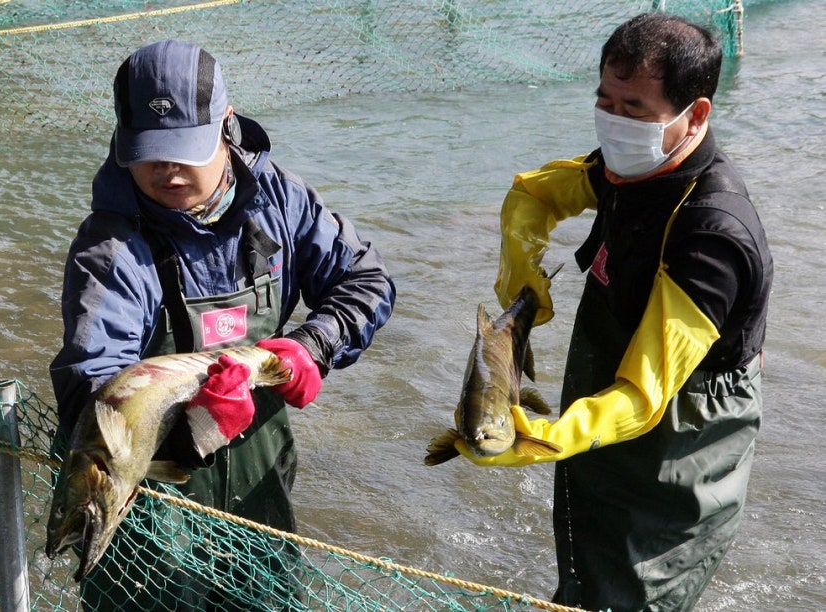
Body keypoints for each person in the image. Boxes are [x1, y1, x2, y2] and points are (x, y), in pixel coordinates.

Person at [49, 39, 395, 609]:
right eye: (149, 152)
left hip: (261, 501)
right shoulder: (111, 248)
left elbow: (365, 281)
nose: (167, 170)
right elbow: (91, 385)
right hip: (153, 527)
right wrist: (194, 431)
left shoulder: (279, 202)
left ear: (226, 127)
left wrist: (315, 345)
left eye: (185, 148)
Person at [454, 13, 773, 612]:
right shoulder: (629, 165)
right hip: (601, 397)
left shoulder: (714, 236)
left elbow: (644, 394)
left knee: (635, 588)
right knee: (582, 552)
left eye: (634, 109)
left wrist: (548, 434)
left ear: (695, 116)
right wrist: (521, 265)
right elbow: (536, 193)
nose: (614, 123)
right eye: (605, 101)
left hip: (682, 434)